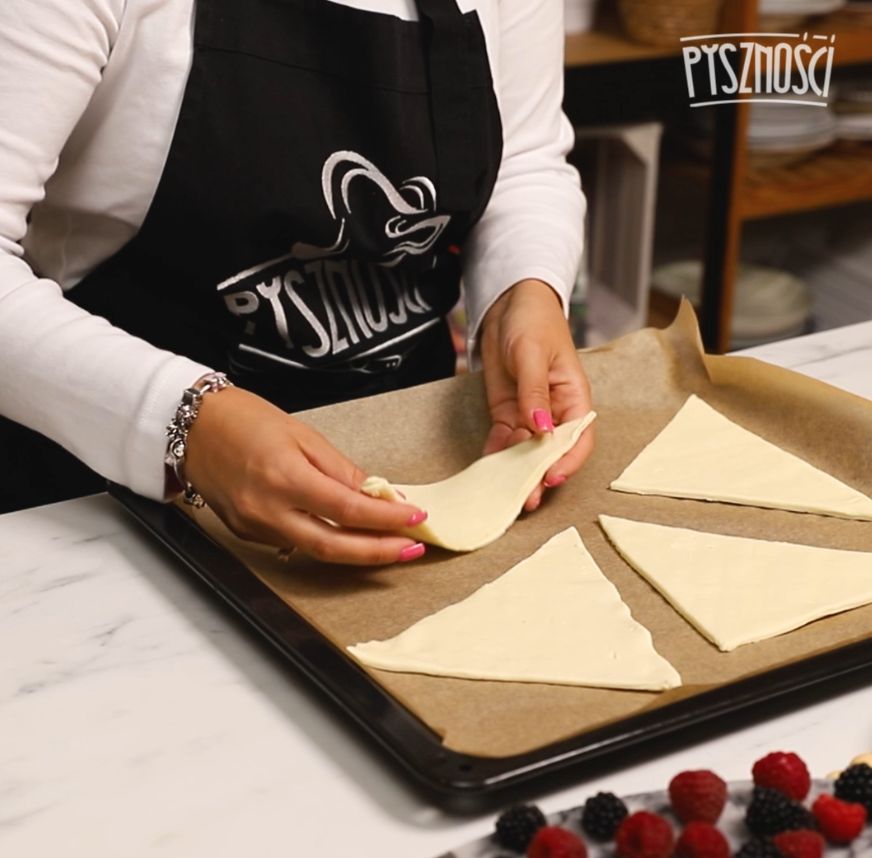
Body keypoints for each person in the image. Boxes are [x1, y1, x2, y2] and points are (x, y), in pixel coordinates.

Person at [0, 0, 593, 564]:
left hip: (419, 459)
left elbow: (523, 160)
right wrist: (182, 422)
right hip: (103, 503)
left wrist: (524, 293)